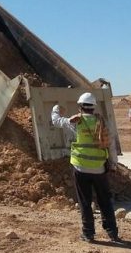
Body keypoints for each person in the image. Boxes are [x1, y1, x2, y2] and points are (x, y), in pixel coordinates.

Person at [51, 92, 122, 244]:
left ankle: (88, 234)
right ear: (94, 107)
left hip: (80, 168)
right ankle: (112, 233)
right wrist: (113, 163)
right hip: (99, 168)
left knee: (85, 201)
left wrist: (56, 108)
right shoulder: (101, 122)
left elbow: (56, 121)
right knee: (105, 201)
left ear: (80, 106)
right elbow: (111, 144)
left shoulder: (75, 121)